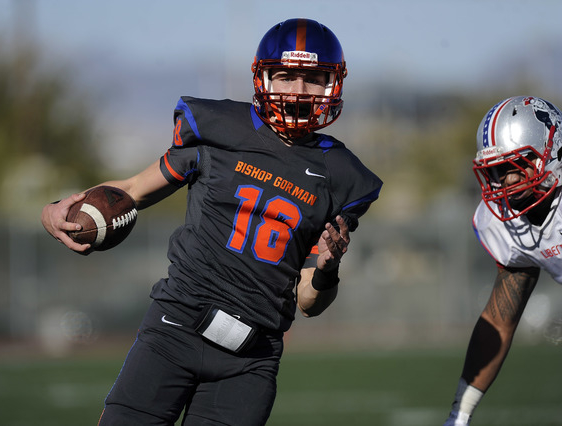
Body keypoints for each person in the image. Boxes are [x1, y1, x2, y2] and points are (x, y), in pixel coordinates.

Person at [42, 18, 382, 425]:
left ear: (334, 85)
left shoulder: (344, 175)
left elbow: (310, 303)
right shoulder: (218, 128)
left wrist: (328, 269)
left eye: (312, 79)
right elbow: (133, 188)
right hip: (174, 329)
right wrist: (58, 207)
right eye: (286, 77)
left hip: (251, 357)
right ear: (263, 77)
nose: (298, 91)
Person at [444, 95, 562, 425]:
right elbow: (499, 321)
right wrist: (459, 416)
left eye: (513, 167)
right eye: (495, 171)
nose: (503, 183)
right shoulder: (509, 225)